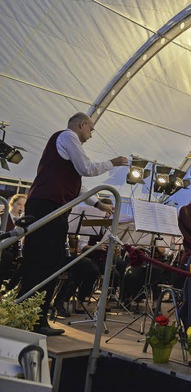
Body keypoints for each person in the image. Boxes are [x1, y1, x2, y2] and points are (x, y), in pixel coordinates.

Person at [17, 112, 128, 336]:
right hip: (46, 205)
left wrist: (98, 204)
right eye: (91, 129)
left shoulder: (67, 145)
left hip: (53, 207)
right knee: (42, 263)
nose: (91, 135)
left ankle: (35, 317)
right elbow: (87, 169)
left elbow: (76, 184)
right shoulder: (68, 137)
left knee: (50, 263)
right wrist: (113, 163)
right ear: (82, 124)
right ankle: (32, 318)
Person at [0, 194, 27, 287]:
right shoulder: (2, 217)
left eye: (23, 205)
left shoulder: (23, 220)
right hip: (4, 247)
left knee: (28, 258)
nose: (21, 207)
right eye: (19, 204)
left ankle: (11, 286)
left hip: (15, 248)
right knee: (8, 256)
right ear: (12, 204)